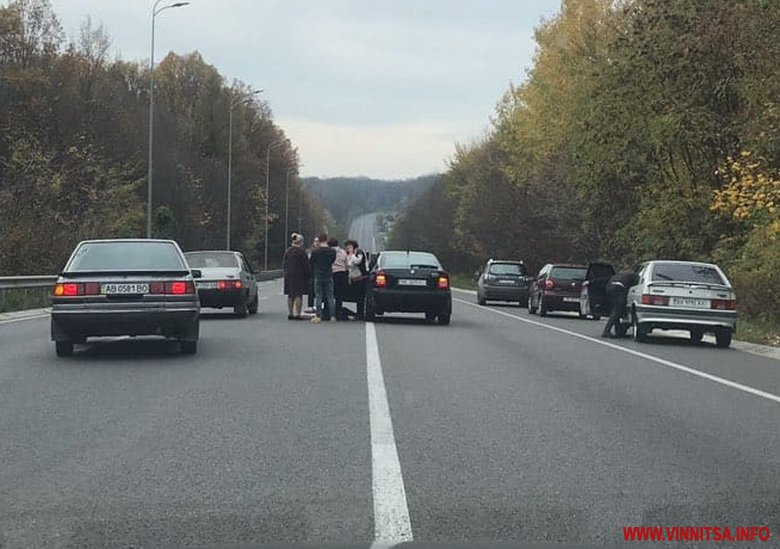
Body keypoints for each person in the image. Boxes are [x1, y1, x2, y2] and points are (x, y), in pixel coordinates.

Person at [602, 270, 640, 338]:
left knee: (616, 310)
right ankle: (606, 331)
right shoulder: (636, 276)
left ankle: (618, 331)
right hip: (618, 288)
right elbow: (635, 287)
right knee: (617, 310)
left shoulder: (621, 273)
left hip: (609, 286)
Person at [309, 234, 337, 323]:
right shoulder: (332, 251)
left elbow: (311, 262)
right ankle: (332, 316)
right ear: (326, 240)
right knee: (330, 296)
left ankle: (318, 316)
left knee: (318, 296)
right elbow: (332, 261)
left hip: (318, 275)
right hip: (329, 274)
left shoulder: (315, 252)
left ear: (319, 241)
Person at [282, 233, 310, 320]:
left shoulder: (288, 251)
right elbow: (306, 265)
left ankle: (290, 313)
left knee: (290, 294)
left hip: (289, 275)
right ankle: (298, 314)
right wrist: (309, 275)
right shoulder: (302, 252)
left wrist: (285, 273)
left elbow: (284, 264)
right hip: (299, 276)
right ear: (301, 242)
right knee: (298, 295)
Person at [345, 239, 369, 320]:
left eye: (349, 246)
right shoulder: (350, 254)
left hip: (361, 278)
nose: (348, 248)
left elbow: (357, 261)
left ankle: (360, 314)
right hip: (354, 278)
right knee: (357, 297)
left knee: (360, 298)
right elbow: (348, 264)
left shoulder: (359, 252)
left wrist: (351, 254)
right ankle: (358, 313)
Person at [329, 237, 349, 320]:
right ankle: (338, 313)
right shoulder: (343, 252)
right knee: (339, 296)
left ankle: (329, 313)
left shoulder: (328, 252)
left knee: (329, 294)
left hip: (331, 273)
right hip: (341, 274)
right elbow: (346, 264)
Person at [305, 237, 319, 312]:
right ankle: (310, 306)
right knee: (311, 291)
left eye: (318, 241)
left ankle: (319, 307)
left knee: (320, 292)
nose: (316, 243)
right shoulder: (309, 251)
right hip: (311, 274)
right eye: (315, 241)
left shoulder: (322, 251)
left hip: (319, 273)